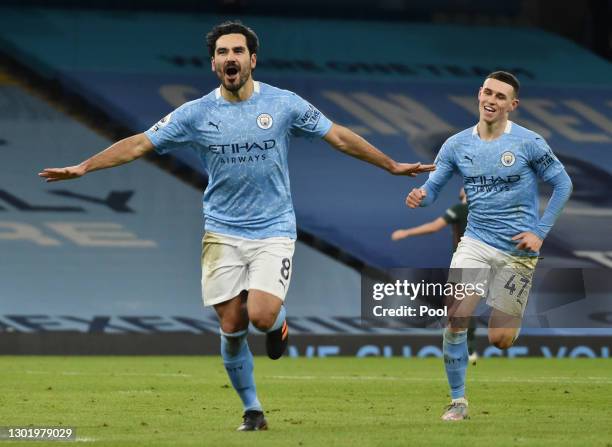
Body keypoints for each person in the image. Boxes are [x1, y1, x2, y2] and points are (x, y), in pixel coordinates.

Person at [38, 21, 435, 431]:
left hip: (273, 228)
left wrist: (389, 164)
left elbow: (337, 136)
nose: (231, 58)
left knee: (261, 316)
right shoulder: (195, 113)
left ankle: (279, 324)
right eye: (223, 52)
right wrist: (85, 166)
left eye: (238, 51)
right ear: (214, 63)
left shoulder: (283, 104)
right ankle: (253, 410)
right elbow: (139, 143)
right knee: (231, 325)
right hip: (222, 231)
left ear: (252, 59)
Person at [405, 71, 572, 421]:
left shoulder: (529, 143)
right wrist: (420, 196)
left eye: (500, 96)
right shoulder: (456, 145)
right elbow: (432, 190)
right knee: (455, 319)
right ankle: (458, 402)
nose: (491, 100)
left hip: (518, 252)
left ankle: (509, 311)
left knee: (501, 339)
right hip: (476, 242)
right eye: (487, 92)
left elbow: (563, 184)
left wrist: (540, 231)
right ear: (478, 94)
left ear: (513, 105)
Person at [391, 188, 478, 365]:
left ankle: (467, 348)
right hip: (478, 262)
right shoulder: (482, 211)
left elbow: (434, 226)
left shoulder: (460, 209)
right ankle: (468, 347)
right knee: (462, 304)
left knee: (456, 306)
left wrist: (406, 233)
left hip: (465, 262)